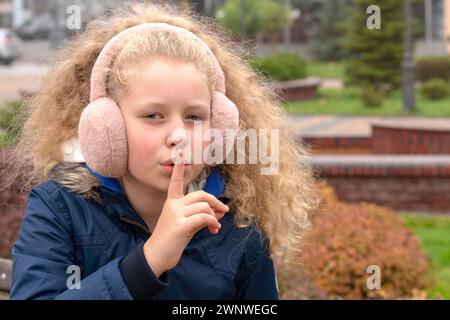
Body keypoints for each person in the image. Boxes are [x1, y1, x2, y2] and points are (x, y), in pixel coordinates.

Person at [5, 2, 319, 300]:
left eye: (194, 117)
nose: (178, 136)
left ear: (220, 128)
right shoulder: (59, 208)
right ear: (107, 127)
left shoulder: (239, 226)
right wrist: (149, 261)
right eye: (153, 116)